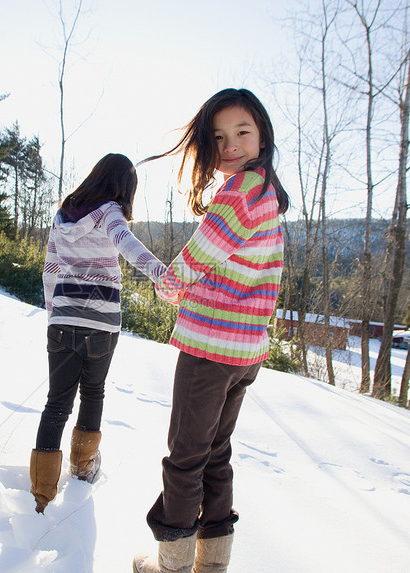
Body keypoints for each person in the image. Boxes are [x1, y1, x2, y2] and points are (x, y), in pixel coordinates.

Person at [133, 88, 290, 573]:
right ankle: (211, 564)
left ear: (261, 134)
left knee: (184, 458)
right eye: (219, 136)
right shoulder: (267, 192)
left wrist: (169, 285)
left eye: (242, 131)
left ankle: (173, 566)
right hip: (246, 351)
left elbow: (200, 253)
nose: (230, 144)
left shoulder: (240, 191)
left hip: (210, 349)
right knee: (215, 453)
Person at [31, 153, 166, 514]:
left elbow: (50, 268)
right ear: (124, 186)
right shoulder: (110, 212)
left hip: (62, 320)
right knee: (93, 392)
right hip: (102, 323)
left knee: (56, 402)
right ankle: (82, 468)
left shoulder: (62, 214)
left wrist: (54, 312)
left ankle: (42, 493)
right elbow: (126, 243)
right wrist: (161, 274)